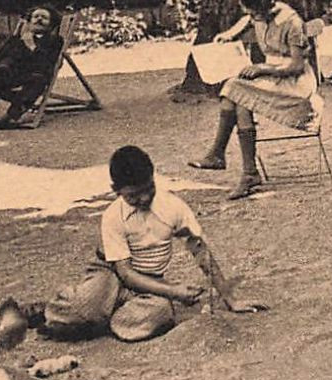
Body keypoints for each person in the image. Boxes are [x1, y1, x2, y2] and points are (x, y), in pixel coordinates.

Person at [37, 146, 262, 342]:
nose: (144, 199)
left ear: (154, 178)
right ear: (116, 190)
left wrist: (230, 298)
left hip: (149, 279)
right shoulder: (113, 215)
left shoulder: (172, 207)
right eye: (134, 195)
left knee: (160, 314)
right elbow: (124, 273)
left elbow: (199, 251)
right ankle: (51, 308)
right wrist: (173, 291)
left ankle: (103, 314)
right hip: (110, 274)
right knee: (83, 308)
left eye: (149, 189)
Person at [188, 0, 320, 199]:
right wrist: (229, 35)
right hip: (273, 79)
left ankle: (223, 157)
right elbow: (247, 21)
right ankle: (246, 171)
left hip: (295, 85)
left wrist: (261, 69)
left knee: (234, 89)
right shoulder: (258, 16)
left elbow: (297, 66)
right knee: (237, 96)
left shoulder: (291, 21)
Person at [0, 6, 64, 132]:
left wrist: (31, 45)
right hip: (15, 74)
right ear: (29, 22)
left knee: (37, 81)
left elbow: (47, 64)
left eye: (44, 18)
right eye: (36, 16)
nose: (39, 19)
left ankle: (6, 119)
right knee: (0, 70)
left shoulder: (55, 41)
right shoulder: (17, 39)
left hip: (36, 74)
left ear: (51, 25)